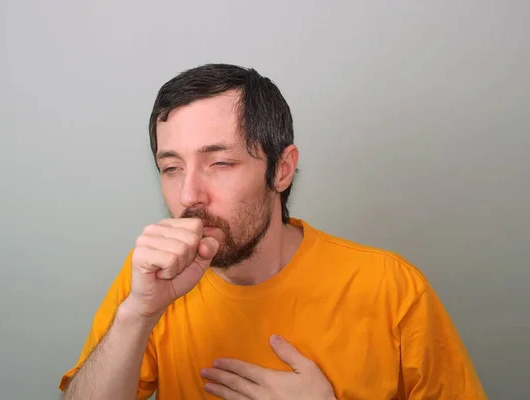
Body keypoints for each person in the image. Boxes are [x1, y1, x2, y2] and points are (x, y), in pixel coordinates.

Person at [59, 63, 486, 399]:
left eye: (220, 163)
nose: (189, 195)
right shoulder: (150, 282)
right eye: (171, 168)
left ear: (281, 169)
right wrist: (138, 314)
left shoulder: (392, 289)